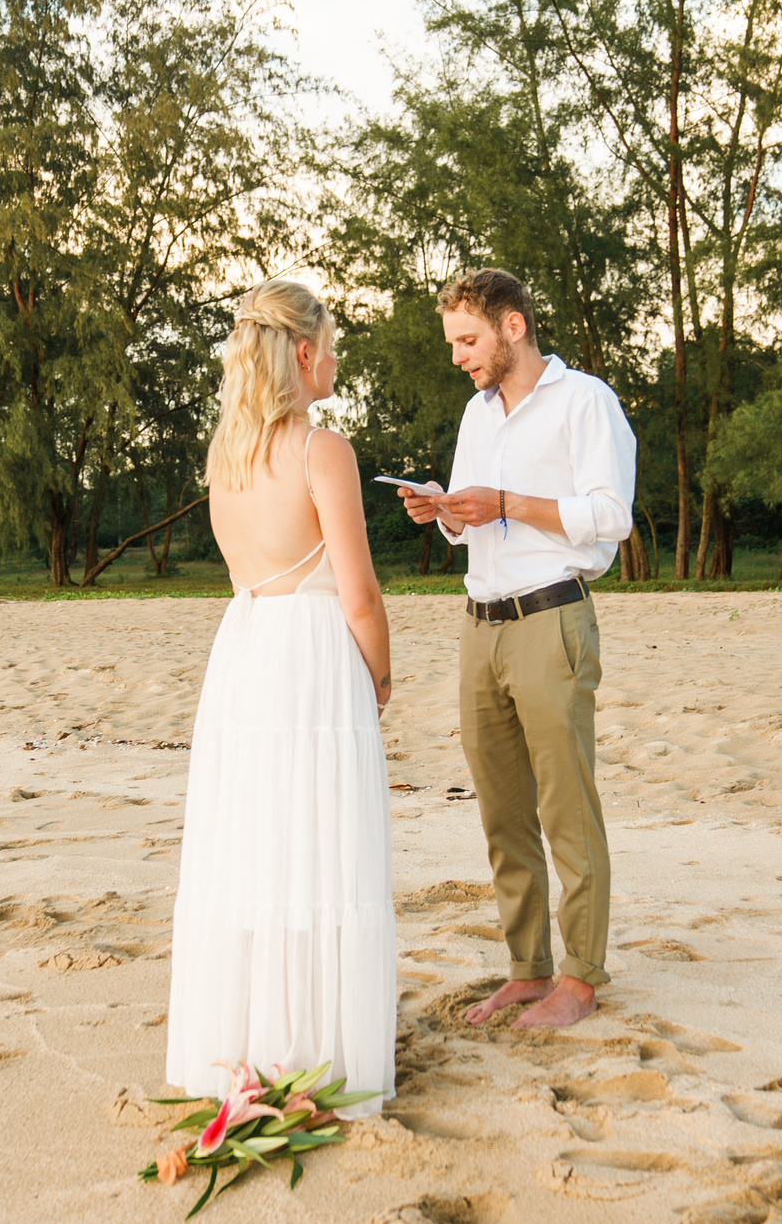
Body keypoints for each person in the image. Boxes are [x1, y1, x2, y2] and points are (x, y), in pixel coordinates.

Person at [165, 279, 396, 1115]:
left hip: (247, 651)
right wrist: (380, 675)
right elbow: (359, 593)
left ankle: (251, 1042)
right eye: (330, 346)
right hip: (313, 658)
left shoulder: (225, 454)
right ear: (302, 352)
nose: (334, 360)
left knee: (257, 849)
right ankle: (318, 1046)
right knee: (322, 847)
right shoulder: (320, 450)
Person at [398, 269, 637, 1029]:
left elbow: (612, 516)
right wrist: (443, 512)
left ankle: (581, 977)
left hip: (551, 618)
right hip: (480, 625)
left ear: (513, 326)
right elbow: (472, 518)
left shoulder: (585, 401)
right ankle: (528, 969)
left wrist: (505, 503)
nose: (458, 357)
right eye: (453, 343)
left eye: (468, 340)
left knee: (567, 806)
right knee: (502, 814)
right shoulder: (476, 415)